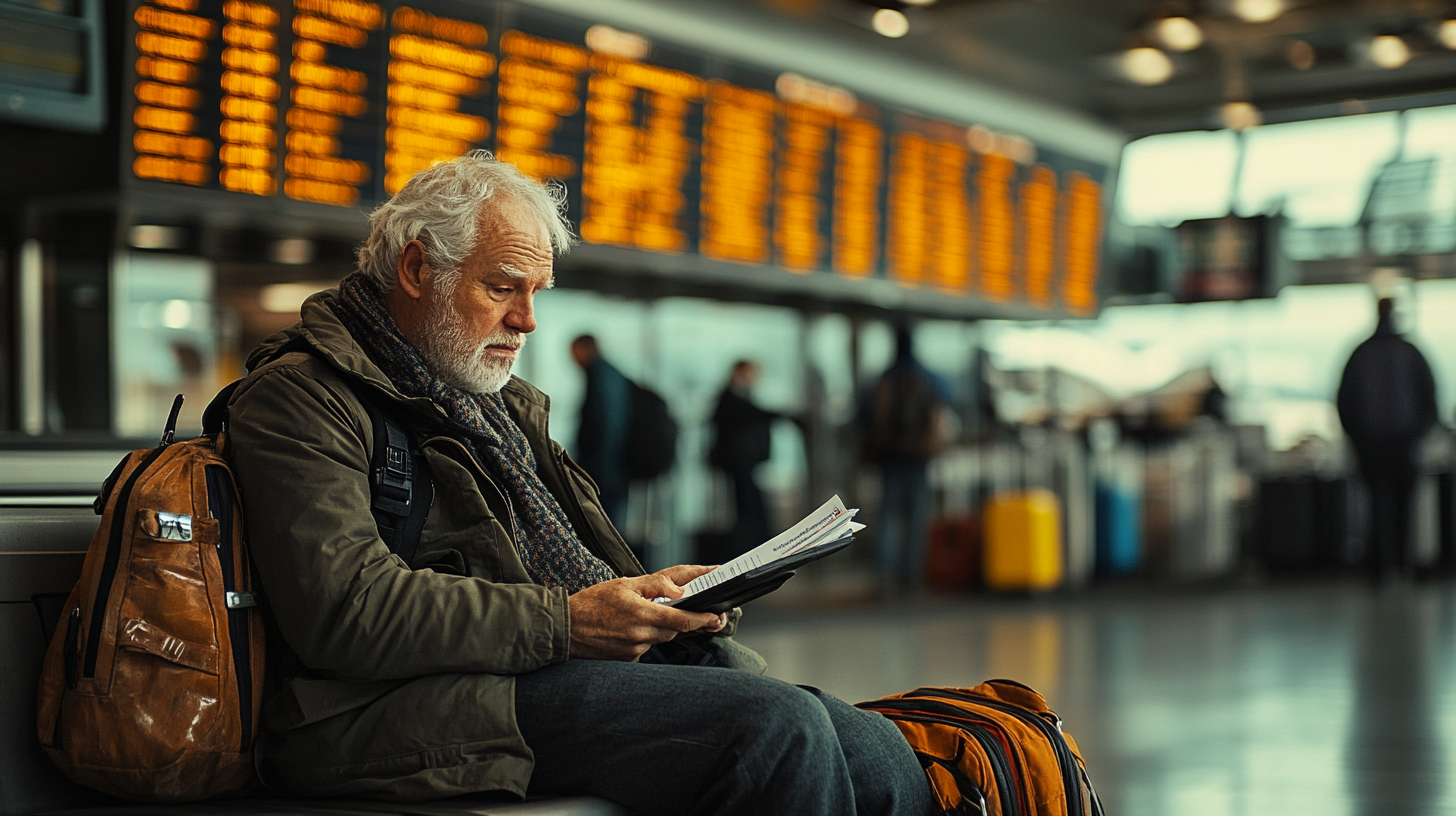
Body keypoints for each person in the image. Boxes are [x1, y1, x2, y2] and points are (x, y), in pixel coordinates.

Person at [225, 151, 934, 816]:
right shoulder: (300, 397)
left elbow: (570, 567)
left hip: (517, 669)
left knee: (879, 749)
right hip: (372, 709)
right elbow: (347, 612)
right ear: (415, 269)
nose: (527, 320)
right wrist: (570, 621)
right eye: (502, 287)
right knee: (780, 730)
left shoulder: (495, 405)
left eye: (535, 292)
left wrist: (661, 601)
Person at [1336, 296, 1439, 584]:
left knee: (1375, 505)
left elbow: (1344, 402)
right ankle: (1402, 566)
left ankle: (1379, 570)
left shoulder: (1360, 354)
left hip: (1371, 445)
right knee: (1403, 508)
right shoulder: (1411, 353)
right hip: (1404, 443)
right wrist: (1417, 434)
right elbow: (1430, 399)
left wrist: (1357, 438)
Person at [860, 325, 954, 593]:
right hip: (919, 457)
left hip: (889, 457)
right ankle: (912, 577)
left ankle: (885, 577)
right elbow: (946, 406)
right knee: (916, 517)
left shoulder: (883, 379)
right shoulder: (928, 377)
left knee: (888, 515)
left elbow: (864, 416)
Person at [709, 360, 777, 552]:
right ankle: (752, 549)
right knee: (747, 508)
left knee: (751, 506)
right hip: (738, 463)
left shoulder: (741, 397)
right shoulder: (730, 398)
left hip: (745, 463)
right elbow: (751, 415)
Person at [569, 334, 632, 524]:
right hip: (610, 468)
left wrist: (590, 464)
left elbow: (606, 425)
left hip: (604, 470)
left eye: (574, 353)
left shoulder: (600, 376)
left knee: (602, 527)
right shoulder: (607, 374)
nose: (573, 360)